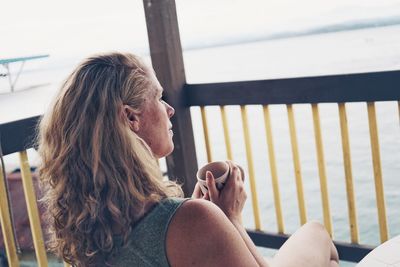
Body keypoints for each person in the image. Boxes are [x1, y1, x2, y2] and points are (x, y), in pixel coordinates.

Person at [37, 52, 339, 267]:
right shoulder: (189, 221)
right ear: (131, 117)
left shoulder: (88, 227)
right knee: (317, 234)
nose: (169, 109)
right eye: (158, 97)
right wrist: (229, 220)